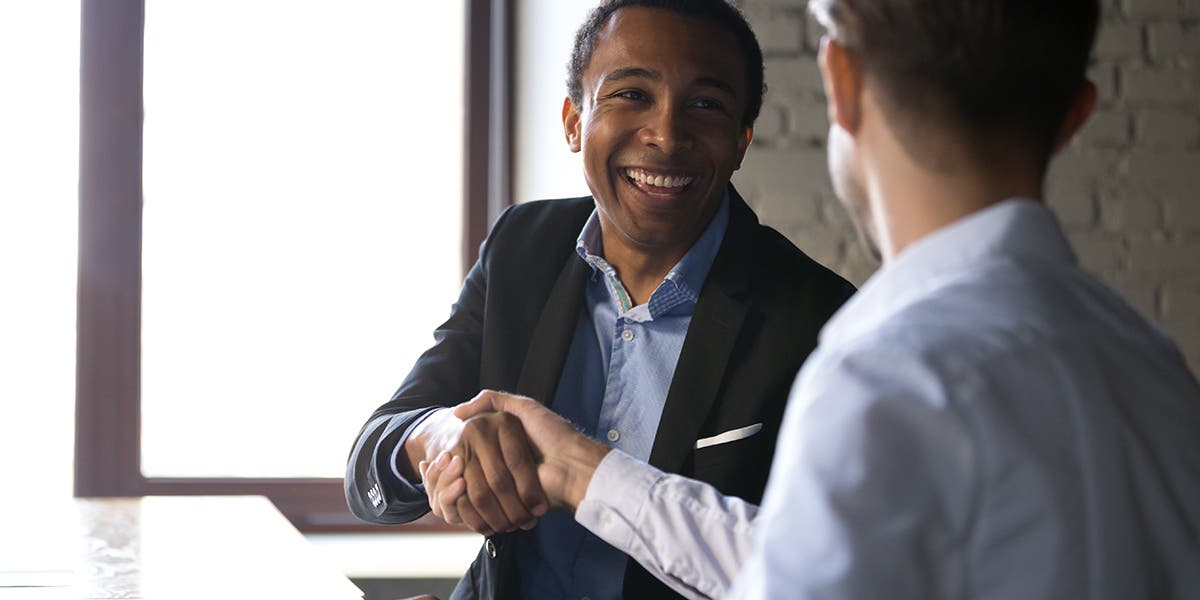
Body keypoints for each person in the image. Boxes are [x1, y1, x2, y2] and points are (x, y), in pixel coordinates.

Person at [426, 0, 1200, 598]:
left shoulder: (884, 370)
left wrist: (581, 472)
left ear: (841, 82)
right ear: (1077, 114)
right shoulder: (1158, 374)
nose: (665, 135)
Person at [343, 1, 855, 598]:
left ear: (742, 141)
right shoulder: (522, 248)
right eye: (631, 94)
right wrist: (436, 438)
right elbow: (369, 465)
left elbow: (823, 572)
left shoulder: (821, 320)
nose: (666, 135)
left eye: (706, 105)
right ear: (572, 122)